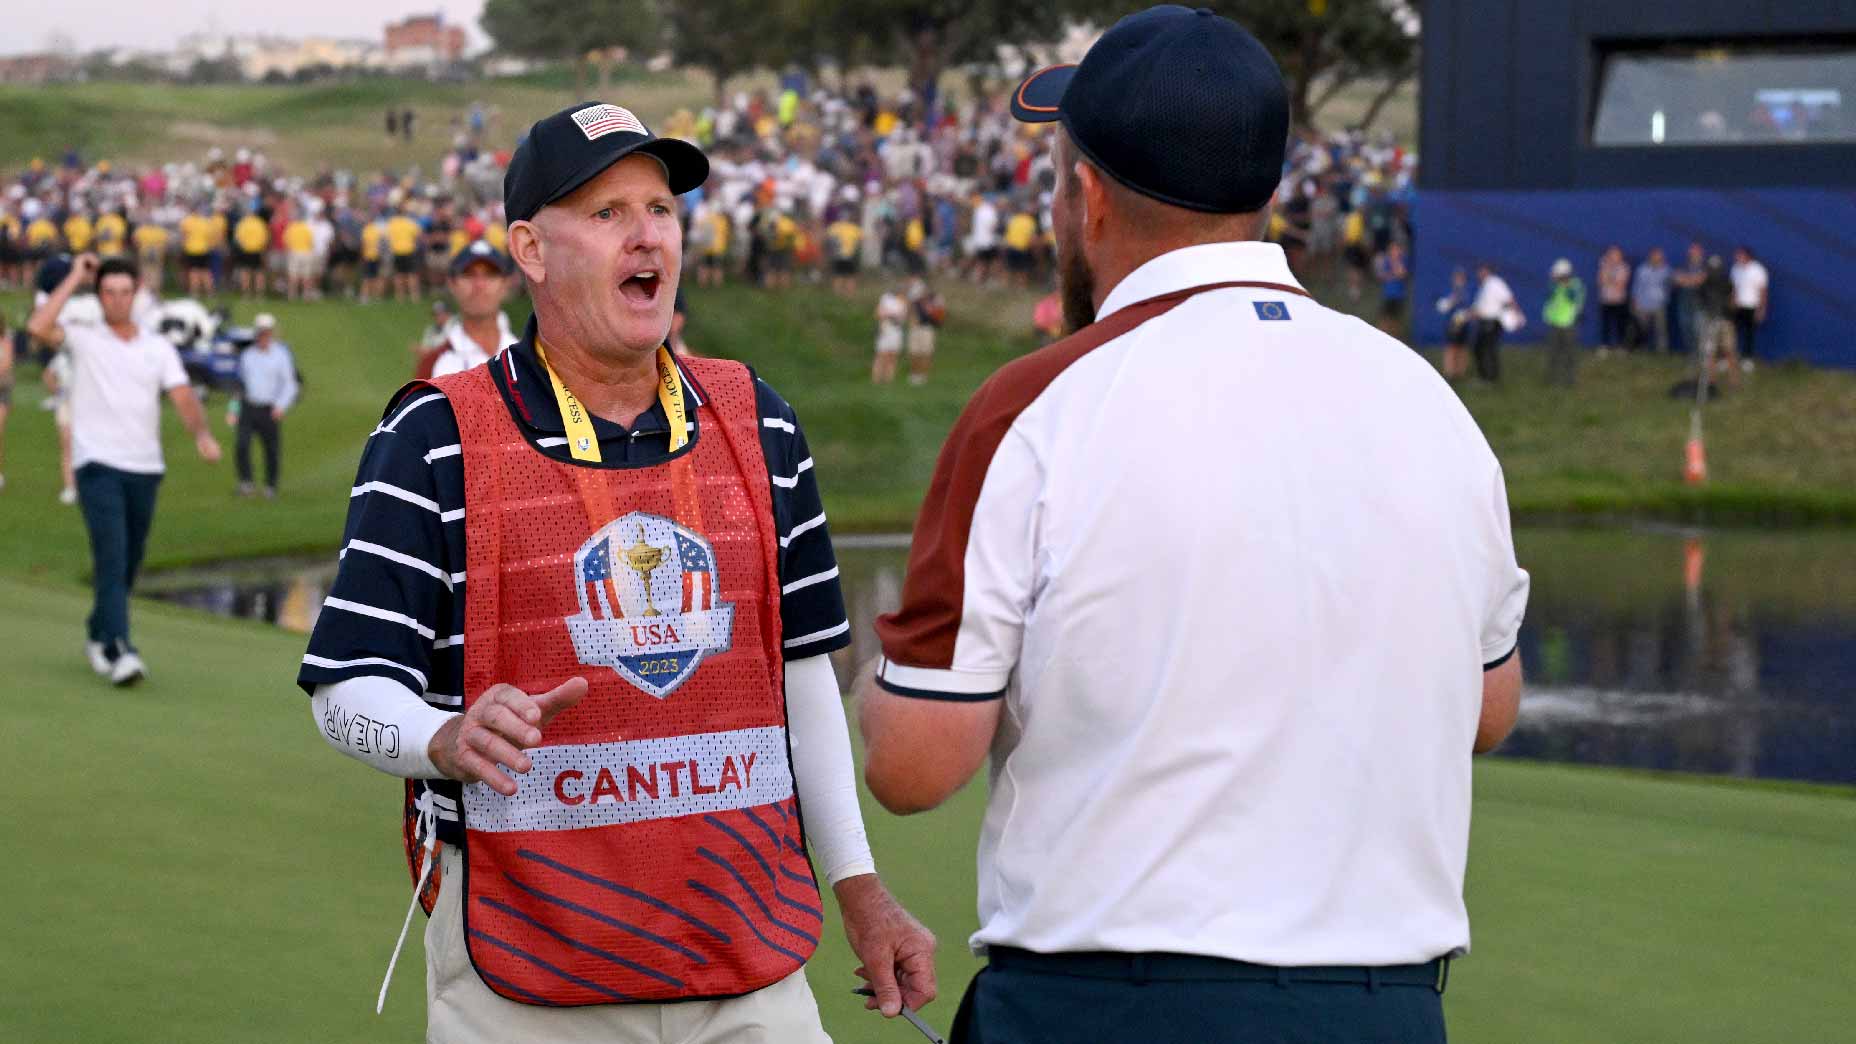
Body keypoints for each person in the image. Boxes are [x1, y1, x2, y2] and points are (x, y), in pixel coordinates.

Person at [856, 11, 1528, 1042]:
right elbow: (1488, 710)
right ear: (1264, 194)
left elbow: (914, 767)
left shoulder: (1033, 404)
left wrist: (873, 662)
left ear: (1084, 196)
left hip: (1106, 1004)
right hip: (1382, 1007)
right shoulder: (1426, 399)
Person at [297, 100, 934, 1041]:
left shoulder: (758, 420)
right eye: (606, 214)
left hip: (749, 957)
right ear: (530, 249)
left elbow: (800, 674)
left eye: (661, 209)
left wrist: (860, 885)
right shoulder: (433, 435)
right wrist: (441, 738)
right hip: (525, 967)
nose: (647, 235)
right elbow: (344, 689)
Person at [26, 254, 222, 686]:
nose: (117, 300)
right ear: (99, 298)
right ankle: (120, 649)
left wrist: (203, 435)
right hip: (96, 465)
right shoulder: (83, 337)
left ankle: (98, 632)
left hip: (145, 468)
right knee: (112, 558)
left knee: (129, 562)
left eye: (125, 292)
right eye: (109, 293)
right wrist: (76, 274)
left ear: (136, 296)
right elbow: (38, 327)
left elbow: (183, 395)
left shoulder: (158, 347)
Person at [228, 313, 297, 498]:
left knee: (271, 449)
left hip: (270, 409)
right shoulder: (248, 356)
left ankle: (270, 486)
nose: (263, 336)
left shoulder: (281, 355)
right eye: (260, 333)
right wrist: (233, 410)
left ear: (272, 333)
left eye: (266, 333)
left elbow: (289, 384)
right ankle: (246, 483)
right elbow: (239, 385)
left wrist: (281, 406)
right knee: (242, 445)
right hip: (248, 407)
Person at [428, 240, 518, 378]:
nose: (479, 285)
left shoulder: (528, 360)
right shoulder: (433, 363)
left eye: (490, 275)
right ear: (452, 284)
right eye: (469, 274)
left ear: (506, 284)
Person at [1699, 255, 1742, 391]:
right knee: (1710, 352)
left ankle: (1734, 381)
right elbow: (1701, 302)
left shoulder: (1727, 283)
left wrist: (1730, 313)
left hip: (1725, 321)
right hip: (1711, 320)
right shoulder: (1704, 284)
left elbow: (1733, 300)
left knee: (1729, 351)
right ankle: (1712, 382)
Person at [1470, 260, 1517, 382]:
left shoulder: (1495, 283)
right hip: (1484, 322)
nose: (1479, 273)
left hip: (1492, 322)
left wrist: (1516, 314)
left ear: (1487, 271)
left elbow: (1509, 298)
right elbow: (1480, 306)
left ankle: (1489, 377)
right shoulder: (1484, 286)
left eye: (1481, 270)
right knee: (1480, 348)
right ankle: (1486, 376)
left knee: (1487, 349)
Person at [1543, 257, 1587, 386]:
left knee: (1569, 353)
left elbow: (1574, 298)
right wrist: (1556, 284)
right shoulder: (1553, 284)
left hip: (1569, 323)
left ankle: (1570, 379)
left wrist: (1564, 285)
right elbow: (1549, 296)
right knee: (1553, 352)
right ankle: (1552, 379)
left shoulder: (1576, 285)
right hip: (1554, 322)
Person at [1730, 246, 1768, 370]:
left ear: (1747, 256)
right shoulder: (1735, 269)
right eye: (1737, 255)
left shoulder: (1758, 270)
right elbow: (1734, 288)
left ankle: (1747, 359)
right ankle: (1729, 358)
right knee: (1731, 333)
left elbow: (1763, 291)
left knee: (1749, 334)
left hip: (1752, 306)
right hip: (1738, 306)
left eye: (1739, 255)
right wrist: (1732, 302)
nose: (1737, 257)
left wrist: (1761, 309)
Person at [1630, 246, 1671, 353]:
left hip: (1659, 304)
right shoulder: (1642, 269)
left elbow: (1670, 286)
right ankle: (1642, 349)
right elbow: (1636, 286)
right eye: (1655, 256)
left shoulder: (1666, 270)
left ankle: (1662, 351)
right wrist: (1635, 300)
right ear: (1650, 256)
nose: (1657, 258)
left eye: (1659, 257)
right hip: (1643, 304)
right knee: (1642, 329)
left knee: (1661, 329)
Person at [1435, 266, 1473, 381]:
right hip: (1451, 324)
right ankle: (1449, 372)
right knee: (1451, 348)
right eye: (1457, 277)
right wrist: (1452, 300)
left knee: (1462, 348)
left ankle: (1461, 372)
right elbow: (1441, 307)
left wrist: (1467, 315)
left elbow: (1472, 308)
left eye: (1461, 278)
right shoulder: (1448, 291)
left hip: (1464, 323)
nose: (1459, 280)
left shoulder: (1468, 292)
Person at [905, 277, 944, 386]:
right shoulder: (915, 301)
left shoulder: (934, 300)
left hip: (927, 328)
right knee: (914, 352)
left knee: (926, 352)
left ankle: (923, 376)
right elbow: (909, 311)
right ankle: (914, 374)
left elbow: (939, 314)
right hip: (916, 328)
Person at [1671, 241, 1707, 355]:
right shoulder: (1683, 265)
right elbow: (1676, 279)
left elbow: (1702, 280)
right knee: (1685, 327)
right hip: (1684, 301)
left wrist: (1686, 280)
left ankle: (1701, 353)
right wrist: (1692, 280)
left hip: (1699, 302)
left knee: (1699, 329)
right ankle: (1691, 353)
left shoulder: (1706, 266)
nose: (1693, 253)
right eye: (1692, 250)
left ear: (1701, 253)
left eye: (1696, 251)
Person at [1596, 246, 1630, 351]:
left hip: (1619, 300)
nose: (1612, 257)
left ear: (1620, 256)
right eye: (1611, 254)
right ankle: (1604, 346)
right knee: (1605, 325)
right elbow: (1600, 282)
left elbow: (1621, 284)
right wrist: (1609, 276)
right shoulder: (1603, 266)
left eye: (1615, 255)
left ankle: (1621, 346)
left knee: (1620, 325)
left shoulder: (1624, 267)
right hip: (1605, 300)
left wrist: (1609, 279)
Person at [1373, 240, 1409, 336]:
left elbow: (1402, 274)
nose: (1394, 251)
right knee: (1384, 319)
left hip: (1398, 296)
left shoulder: (1403, 260)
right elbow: (1381, 276)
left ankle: (1394, 338)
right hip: (1387, 295)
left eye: (1396, 249)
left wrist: (1395, 263)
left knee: (1395, 321)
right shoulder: (1385, 260)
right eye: (1392, 249)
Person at [872, 285, 906, 384]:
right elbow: (878, 314)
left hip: (896, 330)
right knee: (881, 355)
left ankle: (889, 379)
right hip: (885, 329)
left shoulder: (903, 301)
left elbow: (902, 316)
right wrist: (890, 315)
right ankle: (876, 379)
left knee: (893, 355)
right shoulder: (885, 298)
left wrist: (892, 315)